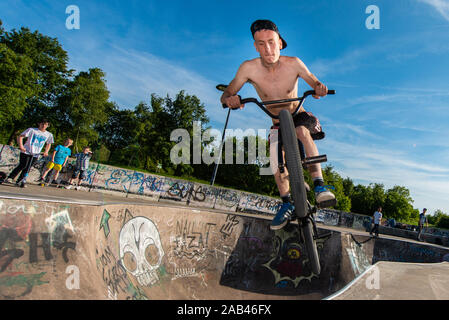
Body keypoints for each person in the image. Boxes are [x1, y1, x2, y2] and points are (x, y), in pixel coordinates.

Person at [220, 19, 336, 230]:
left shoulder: (294, 63)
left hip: (299, 115)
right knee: (275, 153)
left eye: (272, 42)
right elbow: (227, 93)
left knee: (300, 130)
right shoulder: (248, 68)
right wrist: (230, 99)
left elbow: (313, 81)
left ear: (280, 43)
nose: (267, 49)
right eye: (261, 44)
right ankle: (286, 202)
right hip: (277, 123)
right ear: (255, 46)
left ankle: (319, 185)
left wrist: (319, 88)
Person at [3, 119, 54, 187]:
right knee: (23, 165)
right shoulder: (32, 130)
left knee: (28, 167)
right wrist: (21, 146)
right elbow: (20, 137)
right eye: (42, 124)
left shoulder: (49, 134)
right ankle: (10, 177)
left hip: (36, 154)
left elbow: (49, 144)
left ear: (48, 126)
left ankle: (20, 180)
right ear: (39, 124)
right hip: (26, 151)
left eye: (46, 124)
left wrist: (46, 151)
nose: (44, 126)